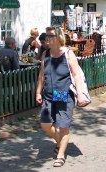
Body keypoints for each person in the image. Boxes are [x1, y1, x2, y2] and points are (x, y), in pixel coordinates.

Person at [35, 26, 87, 167]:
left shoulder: (68, 54)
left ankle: (60, 154)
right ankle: (61, 142)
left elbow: (76, 75)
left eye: (50, 35)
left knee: (62, 126)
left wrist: (80, 94)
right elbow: (42, 75)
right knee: (45, 124)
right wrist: (38, 91)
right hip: (49, 94)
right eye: (46, 36)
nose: (47, 38)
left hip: (63, 93)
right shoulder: (45, 54)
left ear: (58, 37)